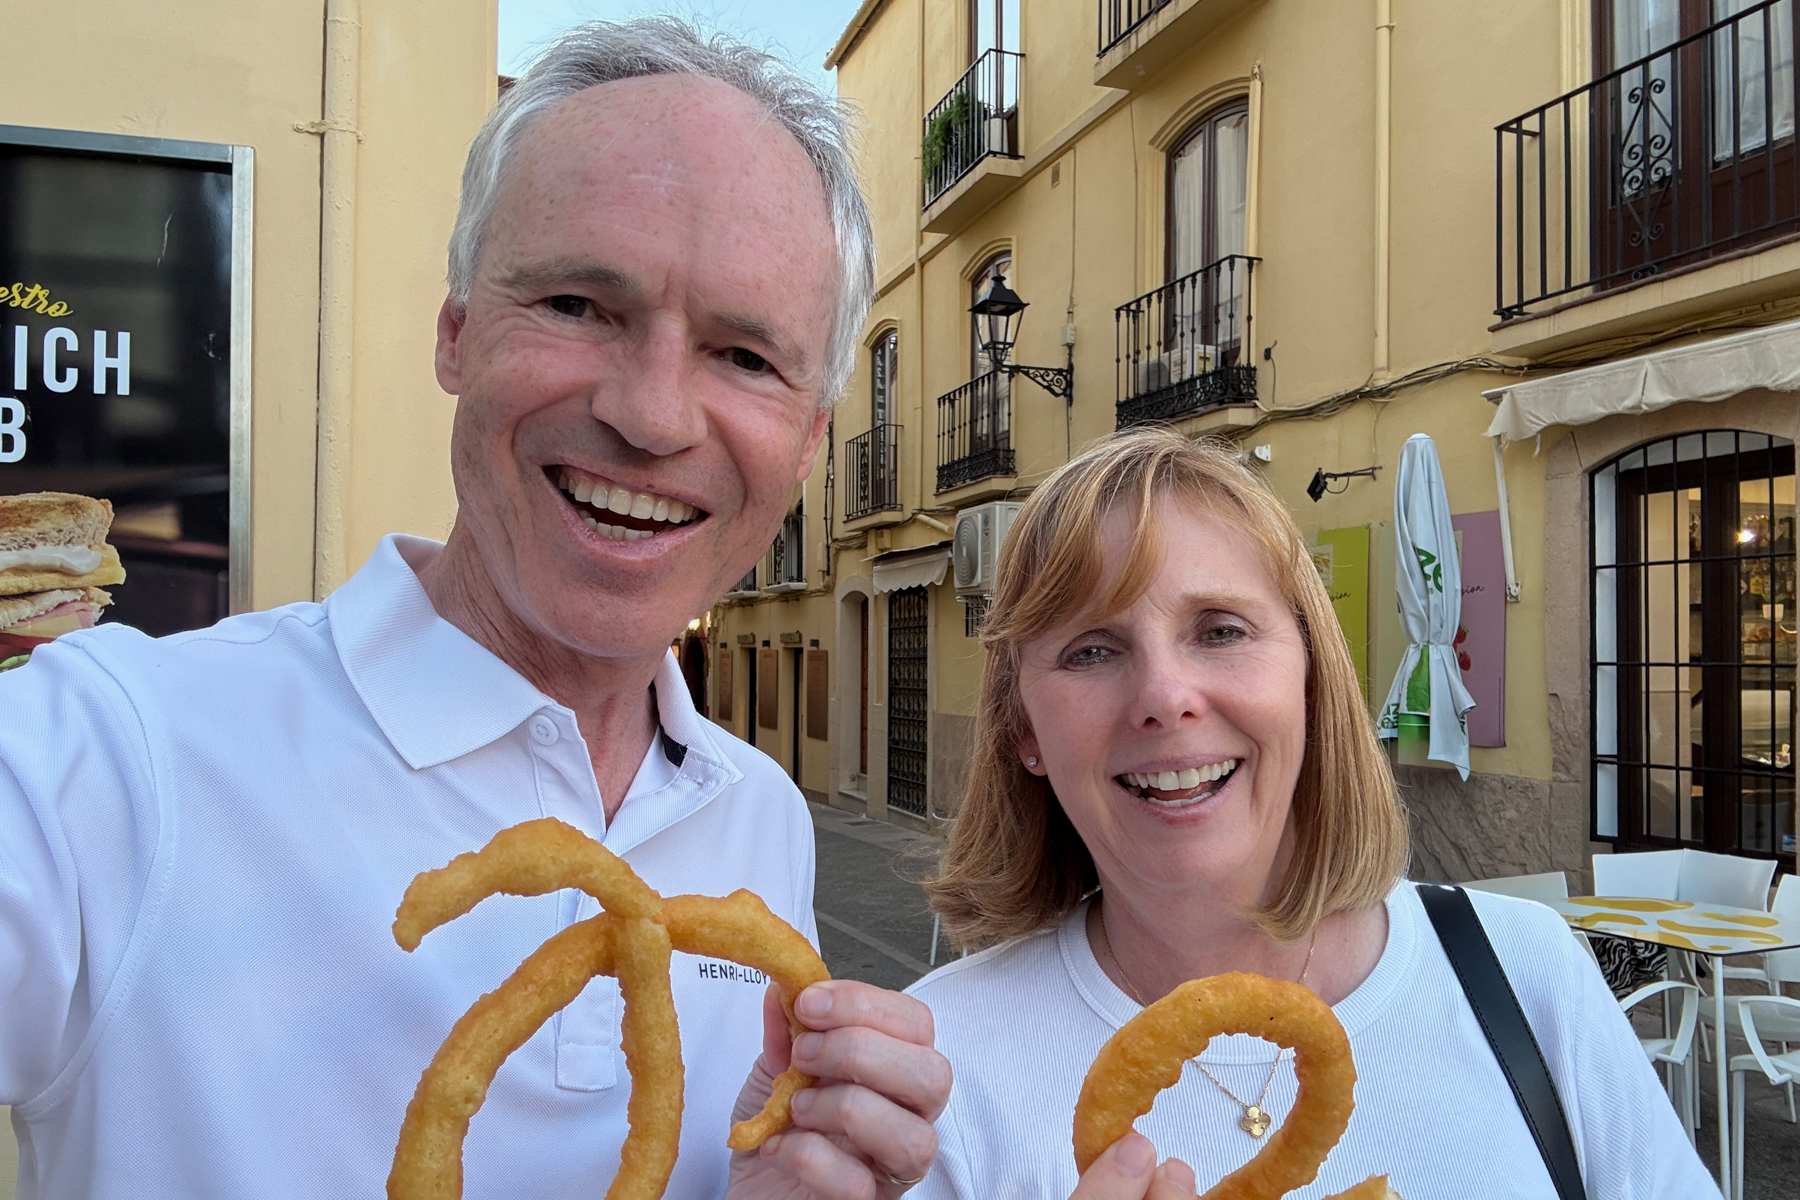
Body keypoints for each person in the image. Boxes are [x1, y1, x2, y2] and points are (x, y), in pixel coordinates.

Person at [0, 19, 947, 1200]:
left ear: (810, 442)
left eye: (746, 355)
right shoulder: (105, 759)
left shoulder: (762, 819)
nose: (653, 415)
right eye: (577, 304)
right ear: (457, 333)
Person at [907, 428, 1715, 1199]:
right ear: (1024, 728)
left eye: (1220, 630)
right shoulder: (937, 1064)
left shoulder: (1525, 975)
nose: (1164, 698)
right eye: (1090, 650)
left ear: (1311, 678)